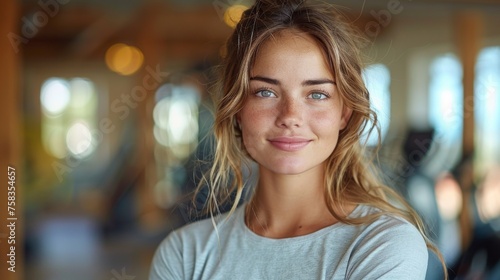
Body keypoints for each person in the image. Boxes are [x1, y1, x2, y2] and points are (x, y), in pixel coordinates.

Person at [150, 0, 447, 279]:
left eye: (317, 94)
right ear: (237, 108)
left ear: (344, 113)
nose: (290, 116)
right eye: (265, 92)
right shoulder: (184, 253)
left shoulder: (382, 244)